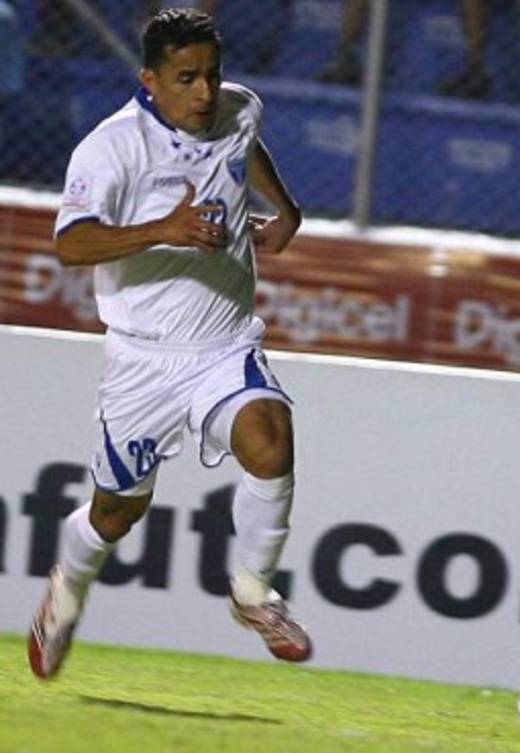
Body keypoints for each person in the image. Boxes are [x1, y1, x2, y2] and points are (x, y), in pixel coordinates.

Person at [28, 8, 311, 680]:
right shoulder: (111, 148)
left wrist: (287, 208)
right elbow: (71, 242)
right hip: (143, 356)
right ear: (149, 80)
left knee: (270, 439)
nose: (205, 92)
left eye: (212, 75)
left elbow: (244, 143)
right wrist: (164, 228)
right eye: (187, 78)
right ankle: (67, 584)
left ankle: (251, 591)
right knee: (117, 512)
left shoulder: (238, 109)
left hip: (222, 338)